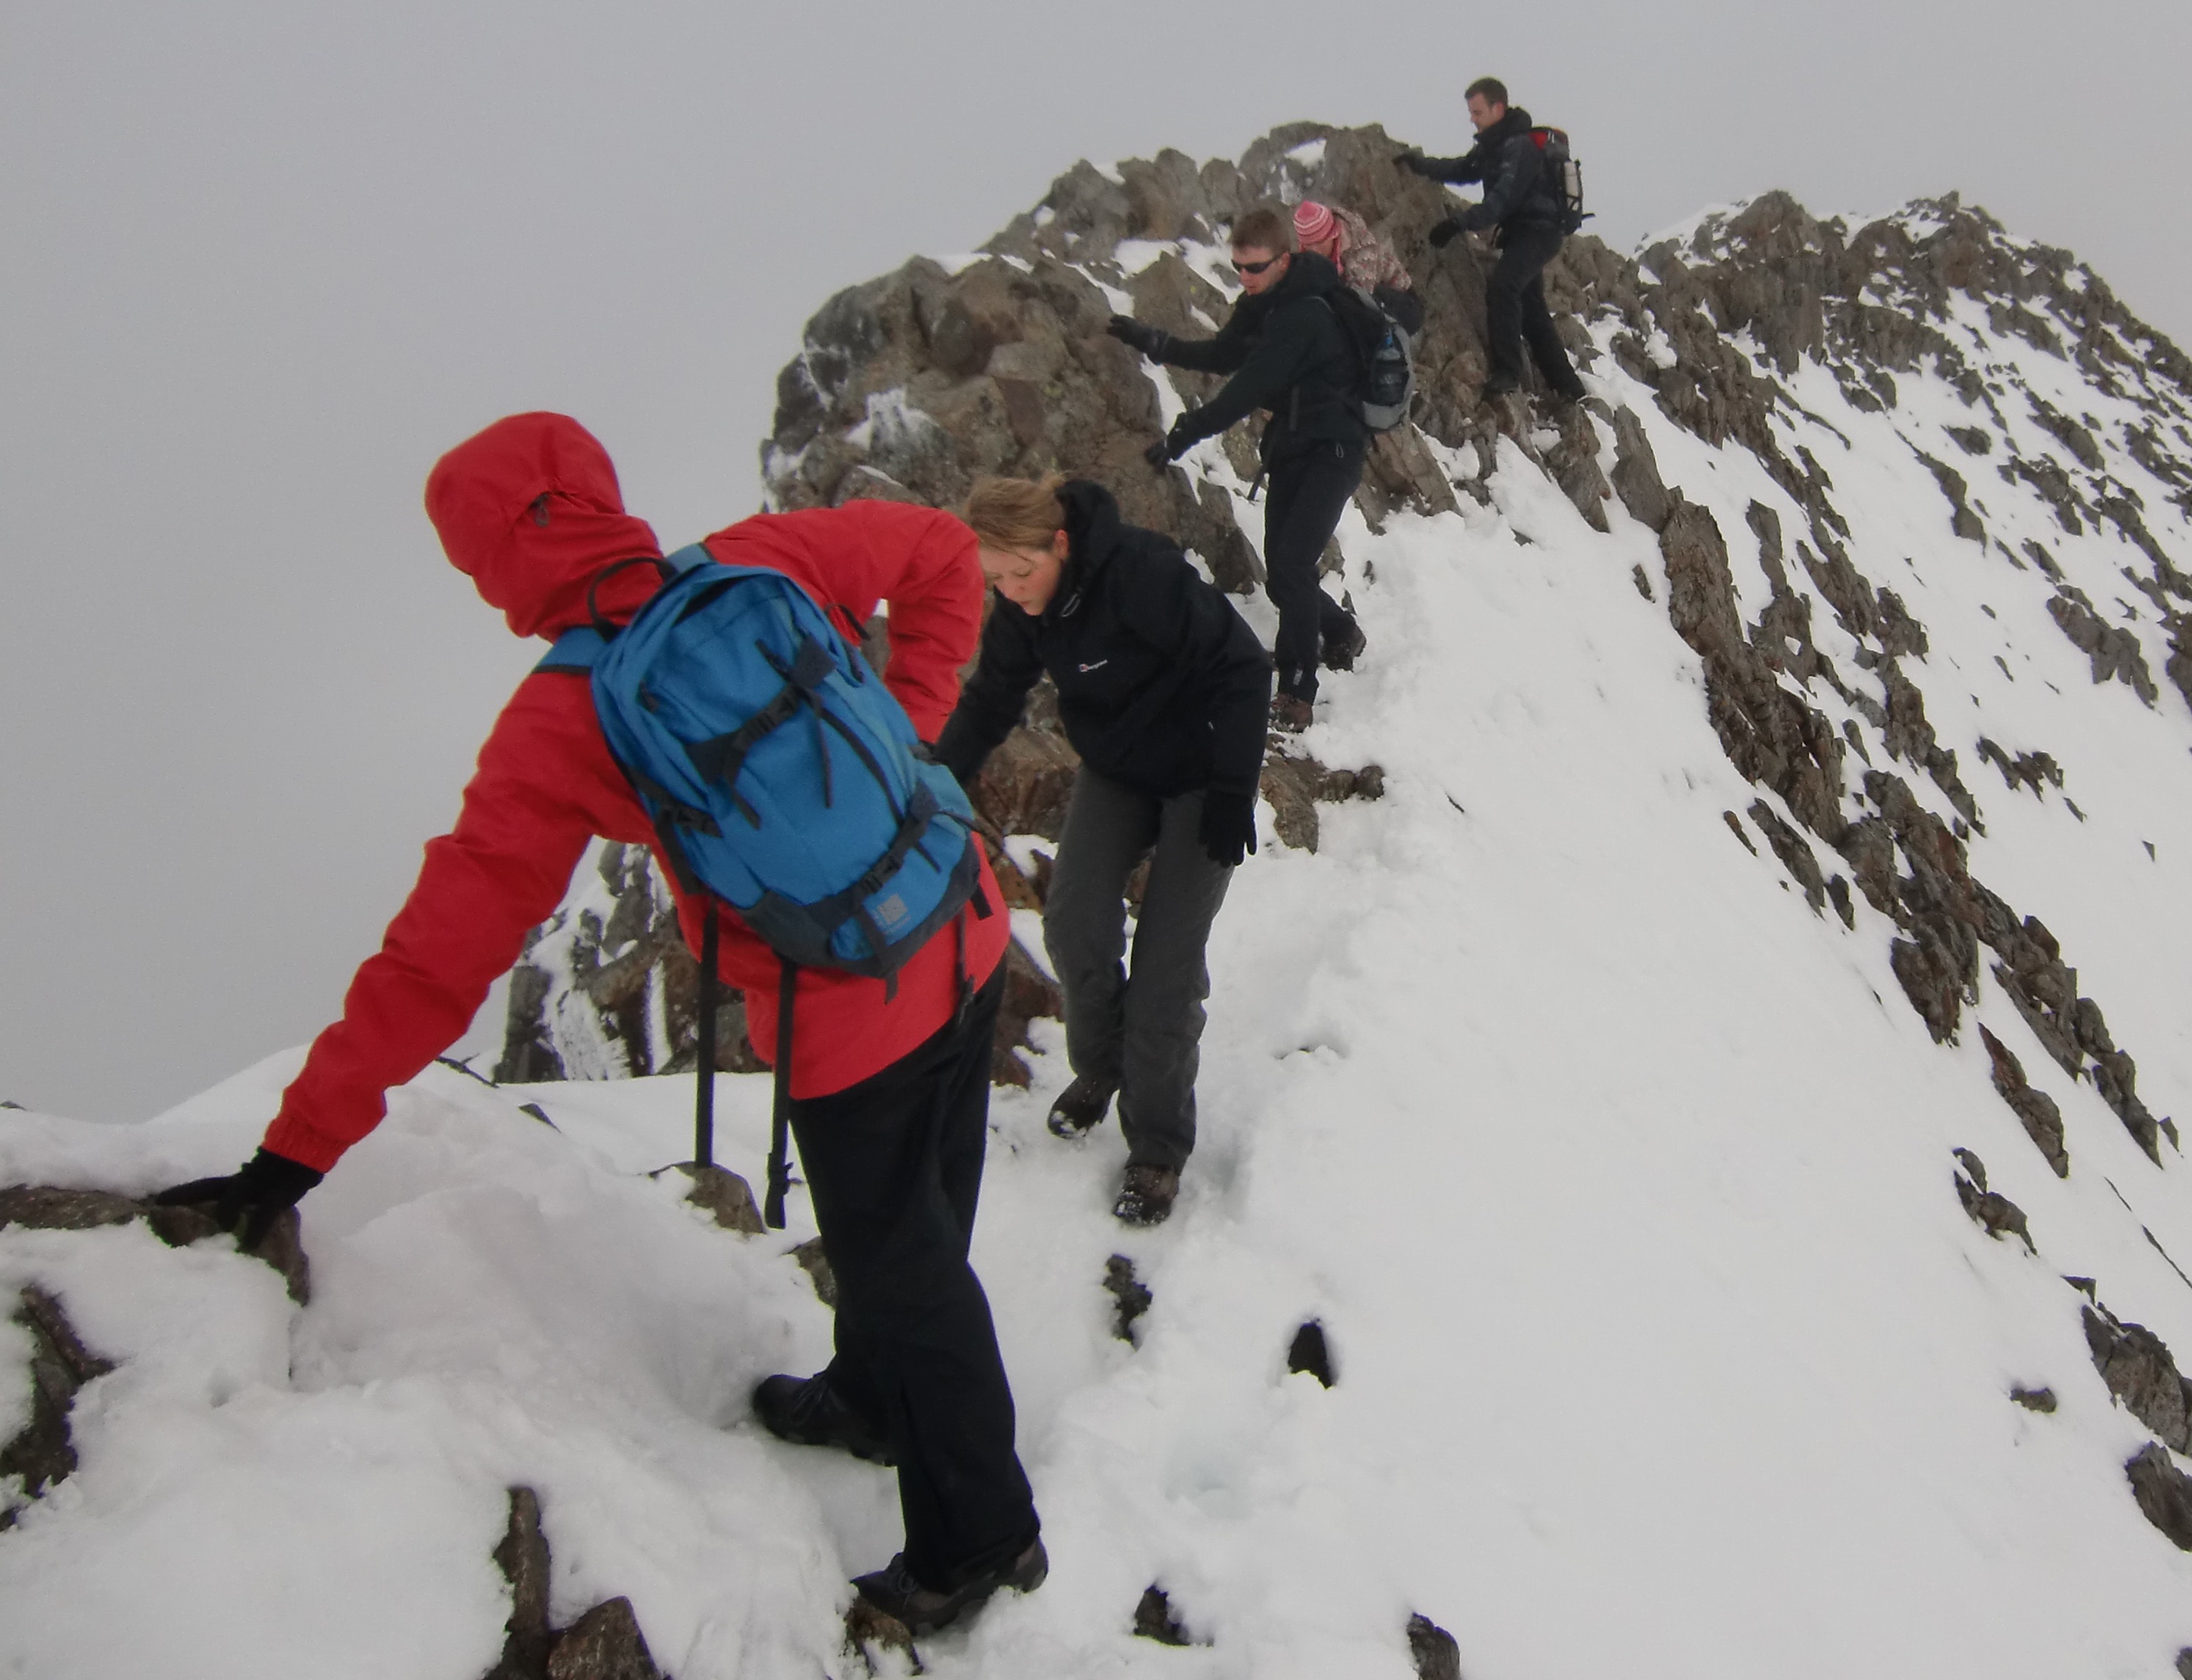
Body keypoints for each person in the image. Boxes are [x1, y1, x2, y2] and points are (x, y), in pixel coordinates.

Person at [155, 413, 1045, 1640]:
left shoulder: (563, 718)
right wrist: (906, 725)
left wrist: (290, 1156)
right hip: (964, 912)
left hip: (850, 1014)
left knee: (906, 1257)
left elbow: (438, 956)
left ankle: (980, 1535)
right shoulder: (763, 556)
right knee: (923, 1216)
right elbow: (943, 551)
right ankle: (875, 1395)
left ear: (499, 566)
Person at [932, 473, 1272, 1229]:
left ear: (1060, 543)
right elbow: (992, 697)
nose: (1013, 592)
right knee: (1074, 922)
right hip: (1118, 771)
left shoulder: (1142, 576)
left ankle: (1155, 1147)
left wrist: (1229, 790)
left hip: (1199, 775)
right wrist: (933, 776)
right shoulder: (1026, 611)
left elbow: (1245, 668)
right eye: (997, 580)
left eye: (1021, 573)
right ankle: (1104, 1068)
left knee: (1164, 975)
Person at [1104, 205, 1371, 728]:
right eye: (1238, 268)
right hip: (1294, 447)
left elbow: (1241, 393)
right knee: (1281, 576)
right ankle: (1340, 631)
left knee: (1292, 565)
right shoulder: (1264, 302)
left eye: (1254, 268)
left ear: (1284, 259)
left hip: (1335, 449)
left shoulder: (1303, 316)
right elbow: (1226, 354)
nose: (1244, 279)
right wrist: (1157, 344)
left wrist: (1184, 434)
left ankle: (1296, 690)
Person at [1398, 75, 1587, 406]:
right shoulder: (1494, 147)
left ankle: (1507, 373)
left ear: (1498, 108)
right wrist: (1419, 164)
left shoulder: (1519, 148)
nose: (1472, 118)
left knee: (1504, 287)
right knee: (1532, 308)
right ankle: (1568, 385)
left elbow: (1502, 201)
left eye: (1478, 112)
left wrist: (1458, 223)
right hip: (1524, 234)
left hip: (1538, 232)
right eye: (1471, 112)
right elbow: (1463, 169)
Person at [1293, 196, 1425, 335]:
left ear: (1333, 235)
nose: (1314, 250)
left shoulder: (1360, 255)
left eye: (1319, 243)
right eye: (1308, 245)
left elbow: (1360, 305)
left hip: (1404, 306)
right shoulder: (1311, 254)